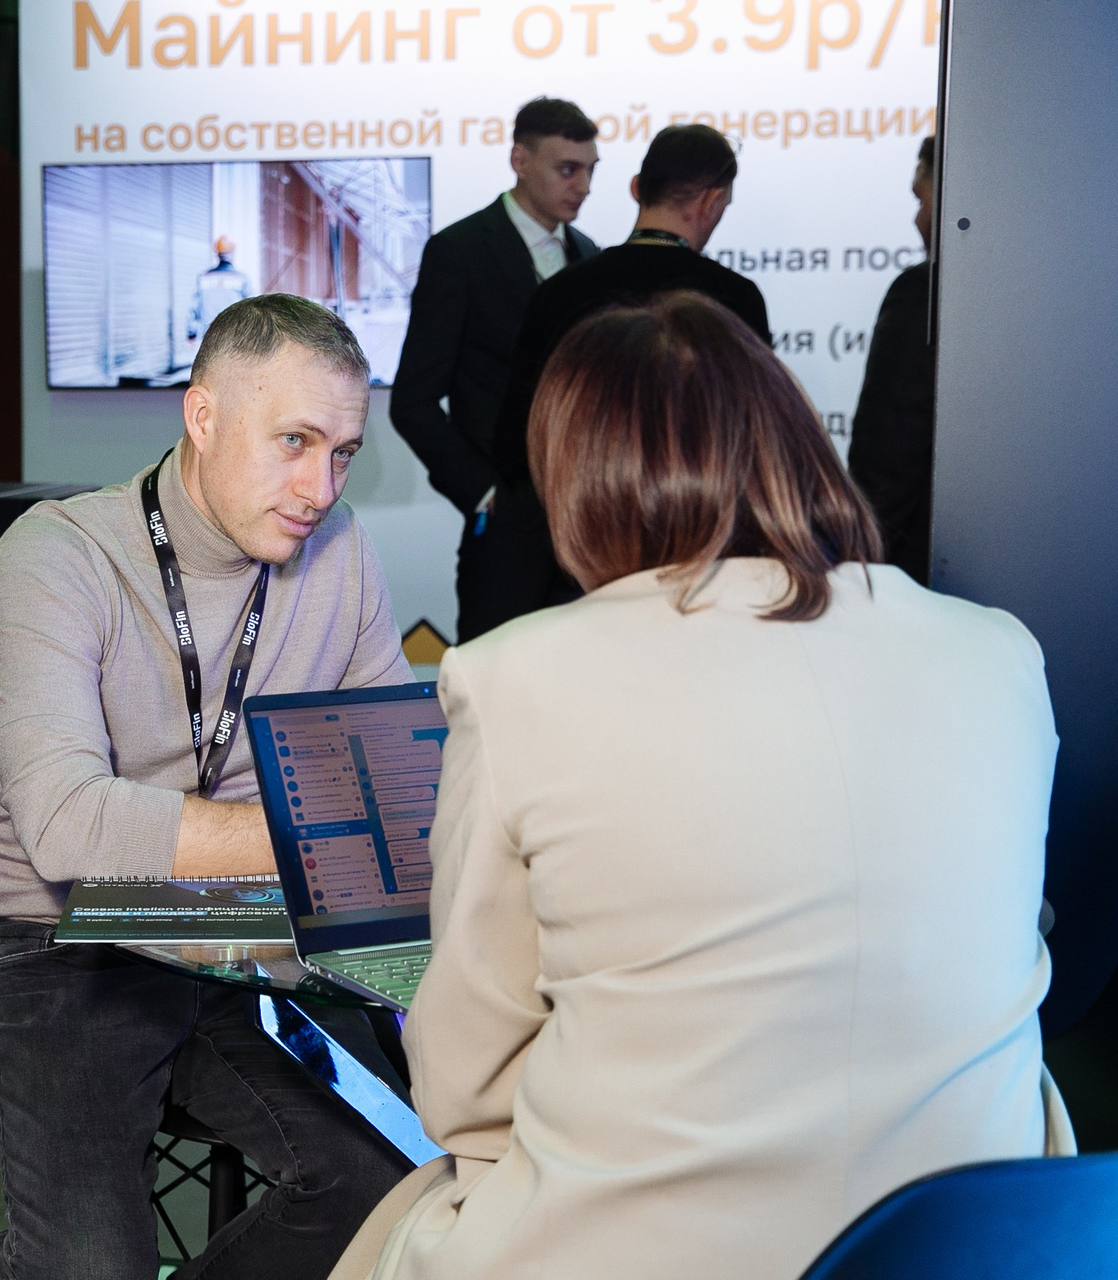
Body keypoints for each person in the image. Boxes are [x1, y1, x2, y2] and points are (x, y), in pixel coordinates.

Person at [329, 292, 1072, 1280]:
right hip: (995, 1241)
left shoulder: (518, 677)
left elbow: (467, 1082)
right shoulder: (997, 653)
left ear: (577, 484)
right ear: (797, 443)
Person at [0, 294, 416, 1280]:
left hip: (251, 931)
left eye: (342, 452)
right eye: (294, 442)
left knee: (394, 1190)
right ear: (203, 416)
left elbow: (389, 796)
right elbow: (69, 829)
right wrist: (314, 837)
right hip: (62, 937)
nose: (321, 487)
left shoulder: (341, 554)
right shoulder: (56, 555)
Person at [472, 123, 770, 640]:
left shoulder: (561, 293)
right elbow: (754, 445)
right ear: (712, 200)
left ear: (637, 188)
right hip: (696, 566)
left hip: (570, 557)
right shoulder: (734, 300)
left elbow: (517, 439)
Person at [388, 97, 600, 643]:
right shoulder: (458, 251)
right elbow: (412, 399)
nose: (583, 186)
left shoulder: (591, 255)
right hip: (504, 530)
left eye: (590, 170)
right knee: (493, 680)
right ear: (519, 160)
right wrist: (483, 494)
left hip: (587, 526)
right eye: (568, 169)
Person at [849, 136, 938, 584]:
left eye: (921, 198)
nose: (917, 219)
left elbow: (888, 450)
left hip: (918, 573)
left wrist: (857, 557)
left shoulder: (923, 293)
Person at [187, 234, 254, 342]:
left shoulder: (204, 278)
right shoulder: (241, 278)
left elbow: (194, 307)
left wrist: (192, 332)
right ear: (233, 253)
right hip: (234, 335)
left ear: (217, 254)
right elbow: (252, 306)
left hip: (209, 335)